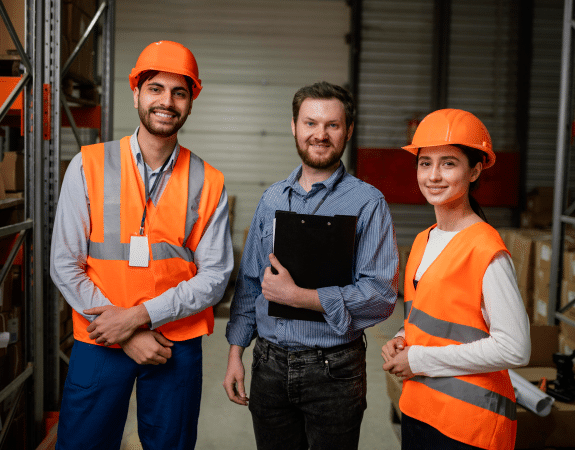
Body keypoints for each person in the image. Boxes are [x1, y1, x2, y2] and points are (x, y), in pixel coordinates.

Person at [50, 41, 233, 450]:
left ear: (190, 103)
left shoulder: (208, 180)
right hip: (101, 337)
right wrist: (122, 333)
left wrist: (139, 318)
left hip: (174, 345)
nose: (166, 101)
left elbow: (216, 276)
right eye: (155, 89)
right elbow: (64, 262)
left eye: (179, 92)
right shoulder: (88, 165)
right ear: (136, 94)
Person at [224, 81, 398, 450]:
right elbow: (251, 283)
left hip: (334, 370)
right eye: (310, 123)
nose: (320, 134)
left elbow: (380, 295)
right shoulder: (271, 199)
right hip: (268, 365)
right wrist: (236, 353)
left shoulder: (368, 203)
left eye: (332, 125)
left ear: (348, 130)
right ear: (294, 126)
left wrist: (300, 296)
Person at [381, 108, 531, 450]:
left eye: (448, 163)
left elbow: (515, 347)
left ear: (475, 171)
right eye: (425, 162)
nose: (433, 175)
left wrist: (418, 360)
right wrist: (404, 337)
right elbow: (437, 314)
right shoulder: (422, 240)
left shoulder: (485, 248)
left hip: (469, 426)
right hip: (420, 410)